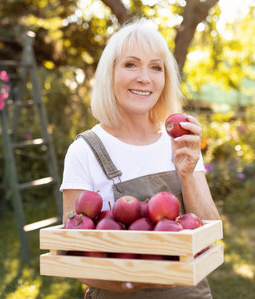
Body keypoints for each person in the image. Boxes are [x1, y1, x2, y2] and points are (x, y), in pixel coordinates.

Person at [60, 18, 221, 299]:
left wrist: (187, 175)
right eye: (131, 64)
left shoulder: (179, 143)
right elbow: (76, 256)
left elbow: (209, 233)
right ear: (110, 73)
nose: (144, 77)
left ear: (165, 78)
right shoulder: (85, 150)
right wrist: (140, 283)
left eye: (156, 67)